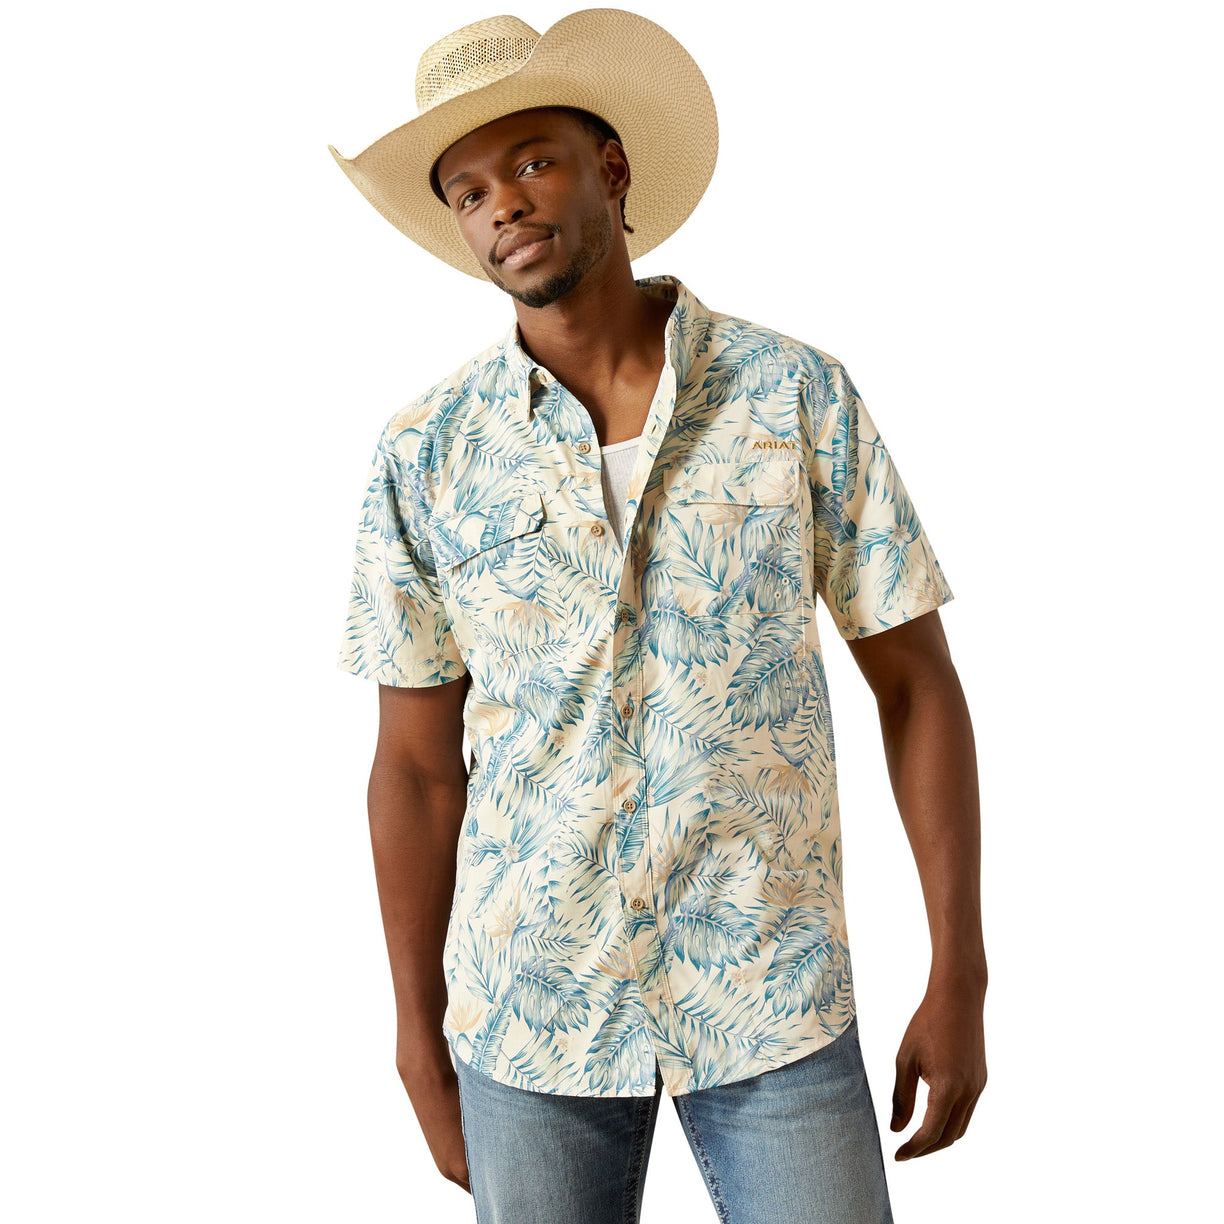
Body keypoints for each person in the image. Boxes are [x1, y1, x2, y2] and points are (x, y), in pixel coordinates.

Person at [331, 11, 987, 1223]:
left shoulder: (793, 394)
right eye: (469, 190)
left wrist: (961, 969)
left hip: (772, 997)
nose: (505, 207)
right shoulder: (424, 453)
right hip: (531, 1019)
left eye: (532, 161)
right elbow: (417, 771)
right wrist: (418, 1041)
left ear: (611, 168)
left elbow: (916, 683)